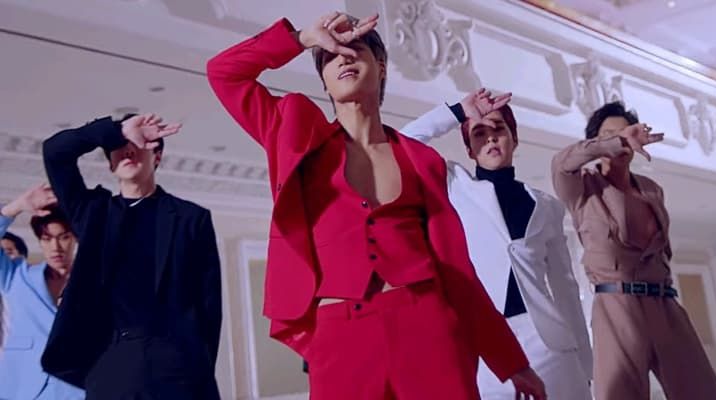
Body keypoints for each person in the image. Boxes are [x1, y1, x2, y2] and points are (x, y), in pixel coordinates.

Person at [208, 11, 546, 400]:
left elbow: (457, 271)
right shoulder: (295, 136)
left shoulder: (422, 160)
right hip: (340, 337)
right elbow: (224, 73)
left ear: (381, 67)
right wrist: (302, 38)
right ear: (323, 81)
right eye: (330, 54)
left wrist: (512, 362)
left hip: (429, 328)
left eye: (355, 48)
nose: (343, 57)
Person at [401, 90, 592, 400]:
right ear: (469, 149)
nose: (490, 138)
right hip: (485, 345)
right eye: (479, 133)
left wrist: (586, 366)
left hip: (552, 347)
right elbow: (403, 144)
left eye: (499, 129)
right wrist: (458, 112)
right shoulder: (453, 186)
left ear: (514, 138)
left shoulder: (547, 207)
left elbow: (566, 289)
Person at [39, 113, 223, 399]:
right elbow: (55, 153)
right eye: (119, 146)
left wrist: (198, 366)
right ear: (110, 164)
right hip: (110, 362)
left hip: (178, 366)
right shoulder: (93, 213)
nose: (128, 151)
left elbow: (209, 306)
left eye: (139, 144)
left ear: (157, 157)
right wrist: (116, 130)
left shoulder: (191, 218)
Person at [551, 101, 716, 400]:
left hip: (664, 301)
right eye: (611, 135)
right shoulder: (583, 188)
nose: (623, 139)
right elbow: (561, 163)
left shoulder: (651, 189)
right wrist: (615, 142)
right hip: (616, 303)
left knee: (703, 392)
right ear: (596, 142)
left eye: (628, 132)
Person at [0, 184, 84, 399]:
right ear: (39, 241)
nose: (55, 247)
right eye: (47, 239)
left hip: (75, 388)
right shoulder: (16, 277)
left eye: (63, 237)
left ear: (75, 238)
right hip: (21, 387)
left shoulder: (93, 282)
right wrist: (15, 207)